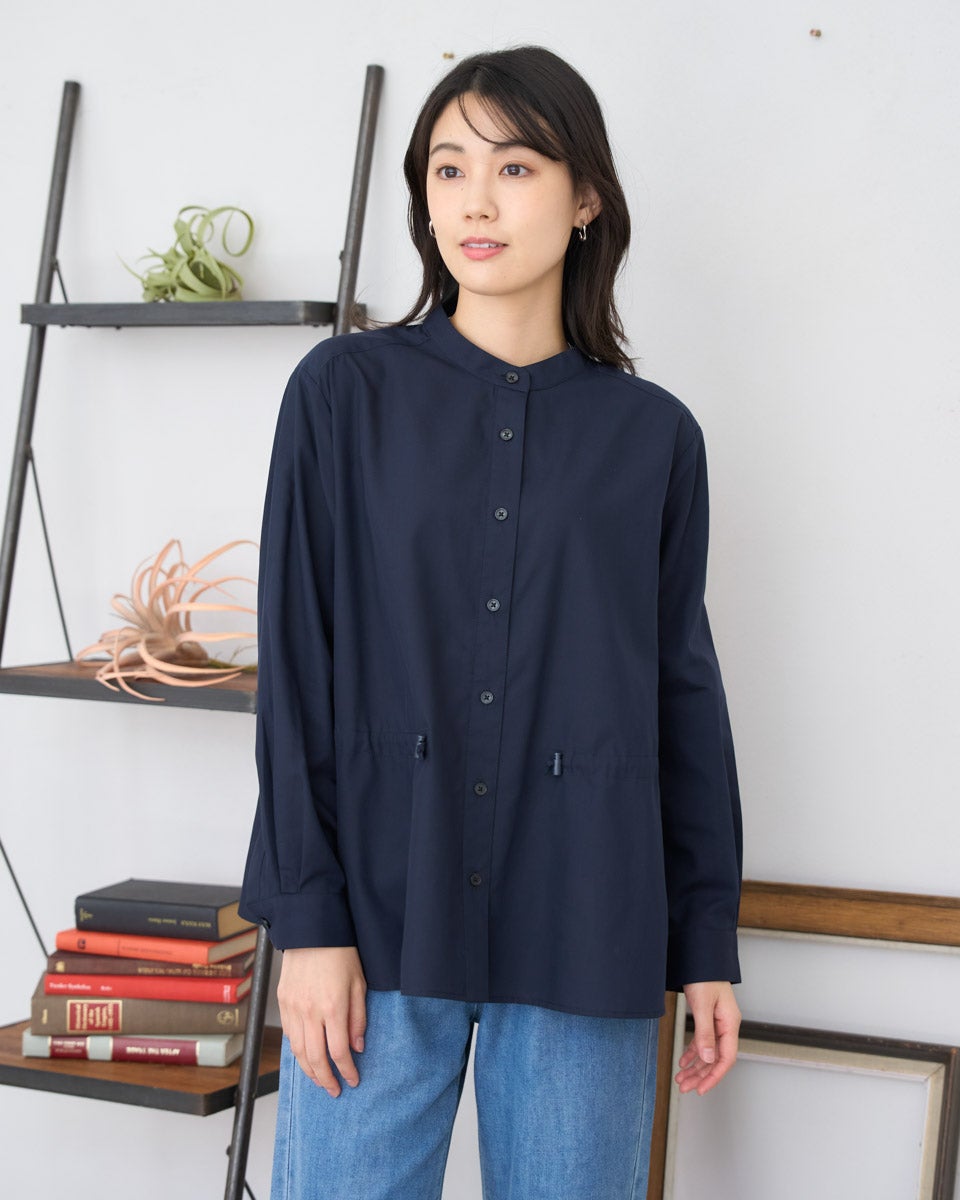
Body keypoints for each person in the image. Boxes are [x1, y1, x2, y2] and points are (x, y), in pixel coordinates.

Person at [239, 44, 743, 1200]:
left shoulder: (654, 438)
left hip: (587, 921)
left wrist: (706, 938)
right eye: (449, 168)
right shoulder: (341, 397)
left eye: (515, 168)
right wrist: (309, 925)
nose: (476, 200)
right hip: (375, 925)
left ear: (586, 197)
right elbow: (297, 668)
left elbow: (681, 694)